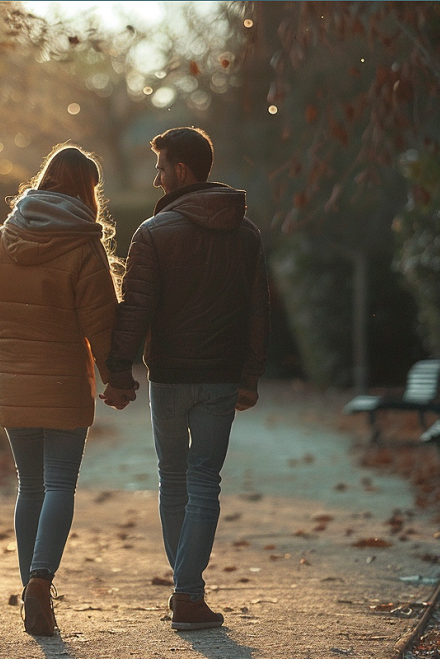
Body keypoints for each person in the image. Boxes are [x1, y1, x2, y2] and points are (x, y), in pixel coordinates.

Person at [103, 127, 270, 630]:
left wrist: (119, 374)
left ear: (181, 171)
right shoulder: (245, 234)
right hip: (220, 378)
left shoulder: (154, 234)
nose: (155, 179)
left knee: (173, 480)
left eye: (160, 168)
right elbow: (256, 312)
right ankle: (187, 593)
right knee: (204, 483)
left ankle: (187, 593)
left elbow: (135, 311)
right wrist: (249, 377)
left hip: (171, 378)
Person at [0, 145, 120, 637]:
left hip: (12, 380)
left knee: (29, 485)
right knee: (59, 484)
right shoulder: (83, 242)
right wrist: (117, 378)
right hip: (62, 381)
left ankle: (33, 599)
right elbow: (102, 324)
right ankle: (39, 585)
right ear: (85, 189)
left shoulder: (5, 233)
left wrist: (10, 351)